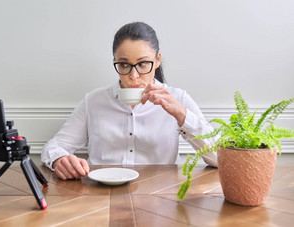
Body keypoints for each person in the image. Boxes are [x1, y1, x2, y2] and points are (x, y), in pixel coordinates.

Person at [41, 22, 217, 180]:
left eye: (142, 64)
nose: (133, 76)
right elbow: (54, 147)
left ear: (157, 60)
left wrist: (181, 114)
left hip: (159, 199)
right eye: (124, 65)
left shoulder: (178, 98)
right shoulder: (94, 101)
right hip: (100, 197)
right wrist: (59, 160)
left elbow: (218, 158)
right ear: (115, 62)